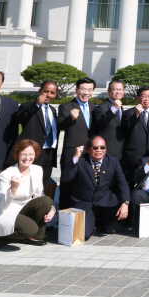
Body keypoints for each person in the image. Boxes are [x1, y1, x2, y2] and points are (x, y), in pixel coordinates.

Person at [0, 139, 55, 249]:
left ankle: (35, 236)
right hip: (3, 211)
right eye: (24, 154)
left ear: (35, 155)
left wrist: (52, 210)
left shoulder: (37, 170)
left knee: (46, 200)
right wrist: (13, 188)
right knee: (30, 229)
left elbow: (39, 195)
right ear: (17, 155)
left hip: (22, 208)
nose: (27, 158)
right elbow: (2, 205)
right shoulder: (6, 174)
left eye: (31, 154)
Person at [60, 135, 130, 237]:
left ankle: (104, 224)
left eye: (102, 147)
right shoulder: (80, 161)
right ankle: (92, 224)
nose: (99, 150)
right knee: (83, 235)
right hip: (85, 203)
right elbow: (66, 178)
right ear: (88, 149)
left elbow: (122, 183)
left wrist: (125, 203)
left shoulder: (113, 161)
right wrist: (75, 157)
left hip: (105, 202)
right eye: (95, 147)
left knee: (118, 208)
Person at [57, 77, 96, 208]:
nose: (86, 92)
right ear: (76, 90)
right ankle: (64, 219)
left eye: (90, 90)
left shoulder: (93, 107)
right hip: (71, 153)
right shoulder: (66, 106)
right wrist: (70, 118)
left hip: (90, 153)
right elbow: (59, 125)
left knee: (86, 185)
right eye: (83, 89)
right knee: (68, 186)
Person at [12, 80, 59, 186]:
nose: (48, 95)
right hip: (34, 151)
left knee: (43, 183)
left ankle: (39, 202)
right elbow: (20, 118)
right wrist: (37, 104)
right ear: (40, 91)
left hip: (49, 152)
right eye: (46, 91)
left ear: (55, 94)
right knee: (29, 182)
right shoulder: (28, 106)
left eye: (52, 93)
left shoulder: (53, 110)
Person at [120, 86, 149, 182]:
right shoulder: (128, 113)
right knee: (131, 182)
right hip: (133, 157)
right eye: (144, 96)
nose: (147, 99)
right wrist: (136, 115)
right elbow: (125, 130)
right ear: (138, 98)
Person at [90, 80, 126, 160]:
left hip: (120, 150)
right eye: (115, 89)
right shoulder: (101, 107)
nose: (118, 92)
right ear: (108, 91)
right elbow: (100, 123)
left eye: (120, 90)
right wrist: (114, 108)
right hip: (108, 150)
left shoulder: (121, 107)